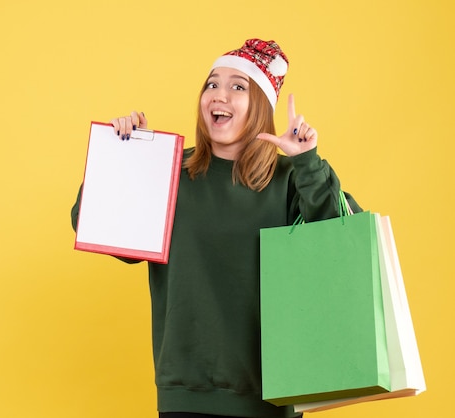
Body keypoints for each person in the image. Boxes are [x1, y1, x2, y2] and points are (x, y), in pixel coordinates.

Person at [71, 38, 361, 418]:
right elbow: (92, 224)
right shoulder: (169, 171)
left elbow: (345, 243)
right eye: (212, 84)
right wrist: (128, 158)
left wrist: (307, 163)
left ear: (260, 106)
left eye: (237, 86)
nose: (218, 95)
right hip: (185, 395)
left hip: (272, 396)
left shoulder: (291, 178)